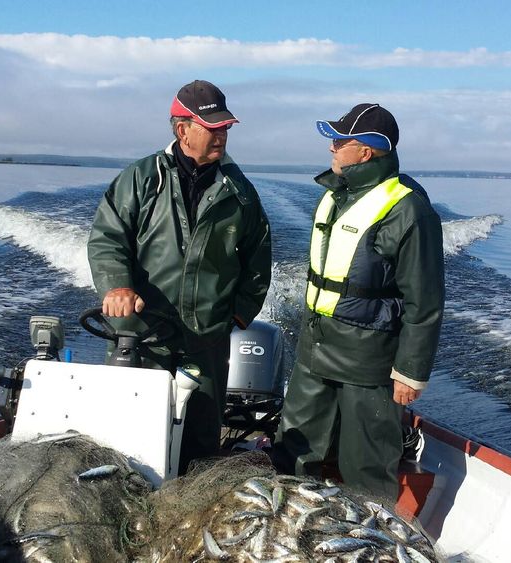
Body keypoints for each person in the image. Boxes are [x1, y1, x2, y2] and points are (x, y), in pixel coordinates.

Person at [87, 80, 272, 473]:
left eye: (225, 128)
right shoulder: (140, 179)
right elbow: (107, 238)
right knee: (128, 437)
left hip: (207, 337)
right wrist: (117, 285)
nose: (221, 135)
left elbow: (258, 260)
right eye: (212, 127)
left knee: (201, 445)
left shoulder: (240, 192)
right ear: (182, 129)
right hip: (141, 334)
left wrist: (238, 315)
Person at [272, 103, 444, 500]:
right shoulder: (337, 196)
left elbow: (425, 300)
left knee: (365, 468)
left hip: (368, 363)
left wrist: (410, 372)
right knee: (292, 454)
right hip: (314, 351)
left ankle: (370, 543)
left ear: (366, 152)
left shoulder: (409, 210)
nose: (331, 147)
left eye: (340, 140)